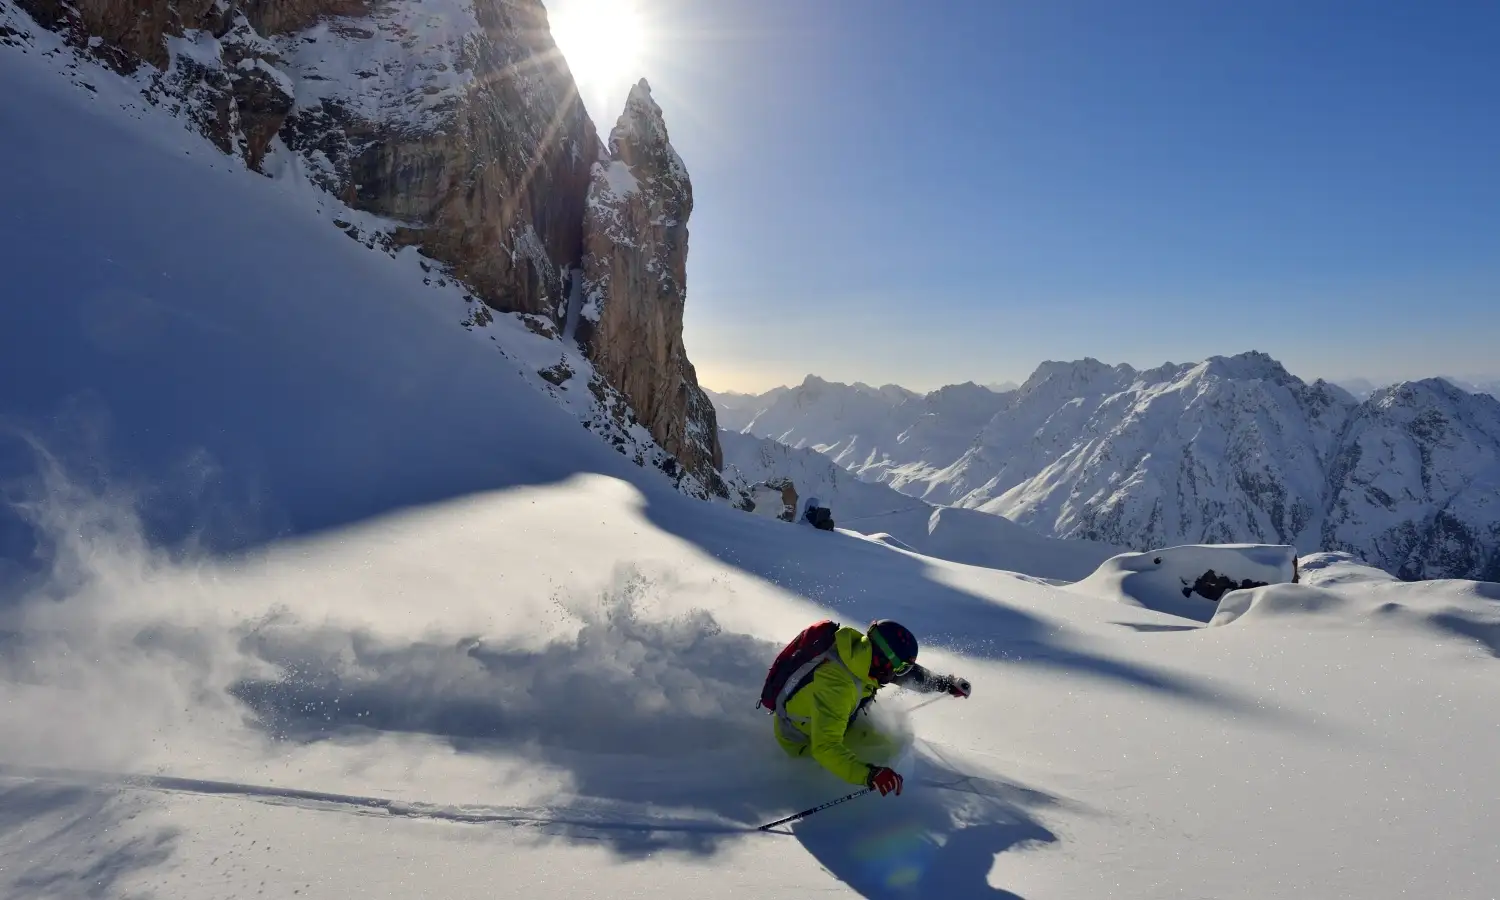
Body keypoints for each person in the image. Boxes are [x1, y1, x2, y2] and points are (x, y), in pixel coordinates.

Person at [772, 619, 971, 797]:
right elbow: (825, 748)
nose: (899, 673)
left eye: (904, 668)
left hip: (833, 718)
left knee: (888, 739)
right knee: (885, 749)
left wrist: (944, 684)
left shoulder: (861, 654)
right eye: (900, 667)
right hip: (802, 739)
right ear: (881, 660)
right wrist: (870, 775)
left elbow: (905, 675)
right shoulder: (837, 686)